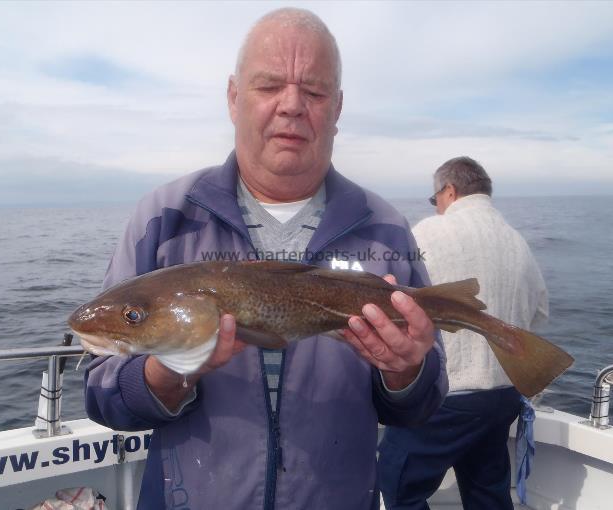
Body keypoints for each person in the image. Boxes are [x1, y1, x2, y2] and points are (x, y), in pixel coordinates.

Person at [84, 8, 448, 510]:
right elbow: (101, 395)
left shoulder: (384, 227)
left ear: (337, 108)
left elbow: (424, 402)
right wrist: (166, 374)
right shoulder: (163, 219)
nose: (292, 105)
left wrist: (405, 373)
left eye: (315, 92)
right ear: (234, 98)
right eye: (269, 85)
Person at [378, 156, 548, 509]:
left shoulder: (427, 233)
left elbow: (390, 302)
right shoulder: (518, 242)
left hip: (446, 396)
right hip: (503, 397)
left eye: (434, 198)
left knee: (395, 486)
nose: (436, 206)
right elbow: (539, 312)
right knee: (488, 493)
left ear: (449, 191)